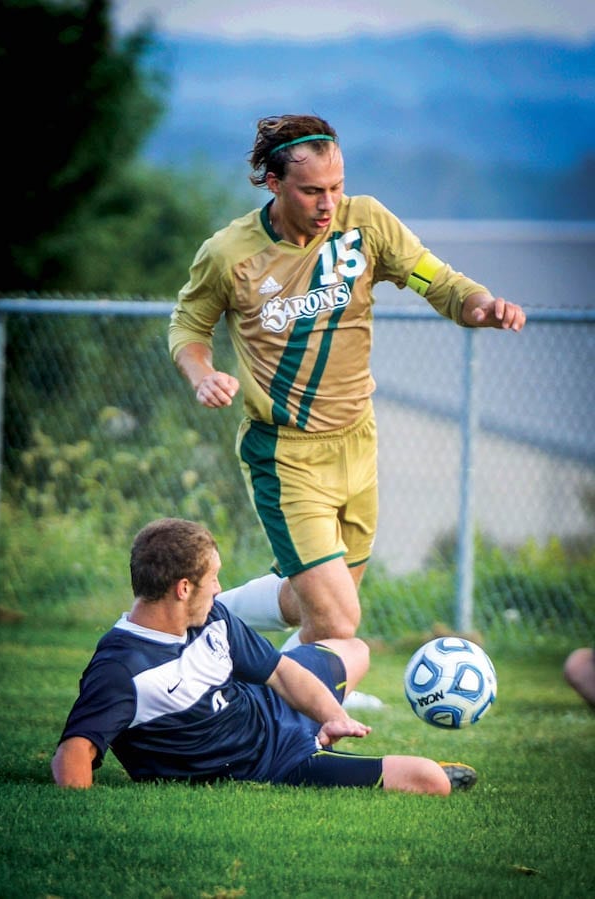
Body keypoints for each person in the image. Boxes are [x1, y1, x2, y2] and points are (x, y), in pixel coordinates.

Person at [168, 114, 526, 705]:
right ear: (272, 182)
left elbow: (439, 281)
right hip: (286, 454)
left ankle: (219, 624)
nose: (329, 202)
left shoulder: (367, 223)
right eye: (312, 190)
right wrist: (203, 373)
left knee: (314, 604)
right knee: (338, 622)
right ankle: (254, 694)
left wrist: (482, 306)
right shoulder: (230, 253)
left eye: (336, 187)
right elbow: (188, 326)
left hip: (359, 443)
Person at [51, 517, 477, 794]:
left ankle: (323, 723)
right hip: (275, 762)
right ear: (183, 588)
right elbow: (73, 755)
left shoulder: (211, 617)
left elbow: (282, 673)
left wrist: (333, 717)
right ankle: (433, 772)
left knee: (354, 648)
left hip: (271, 707)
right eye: (213, 579)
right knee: (430, 780)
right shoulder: (121, 668)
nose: (219, 589)